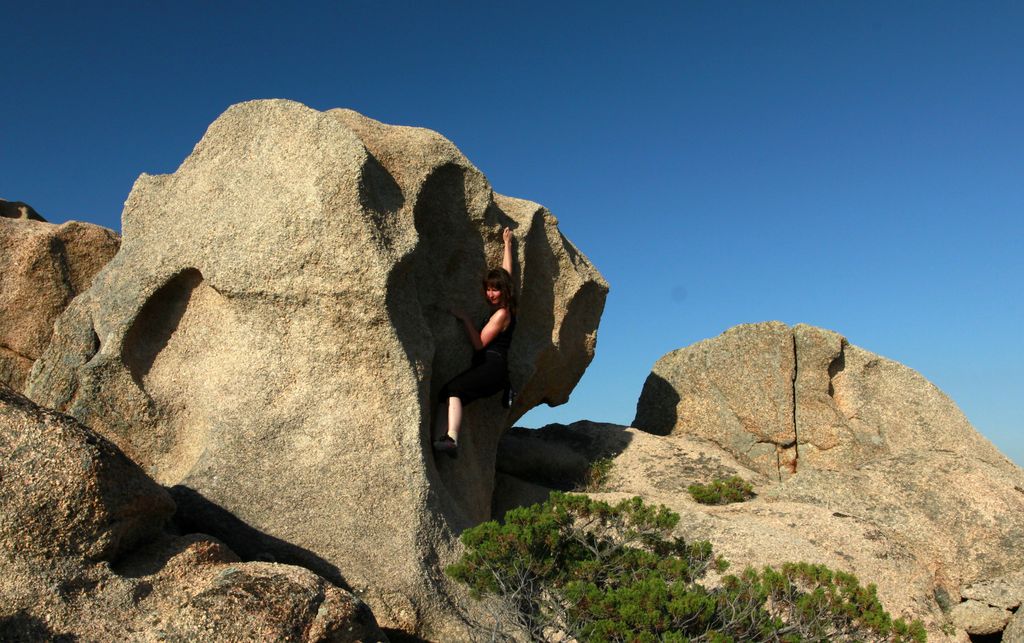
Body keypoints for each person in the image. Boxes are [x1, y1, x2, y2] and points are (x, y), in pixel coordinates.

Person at [433, 227, 516, 456]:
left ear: (503, 292)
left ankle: (451, 438)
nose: (490, 294)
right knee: (445, 394)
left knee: (453, 389)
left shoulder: (501, 314)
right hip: (488, 369)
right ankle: (441, 439)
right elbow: (507, 275)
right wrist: (507, 245)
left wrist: (465, 318)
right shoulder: (504, 307)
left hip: (493, 367)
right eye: (488, 289)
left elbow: (479, 343)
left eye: (495, 290)